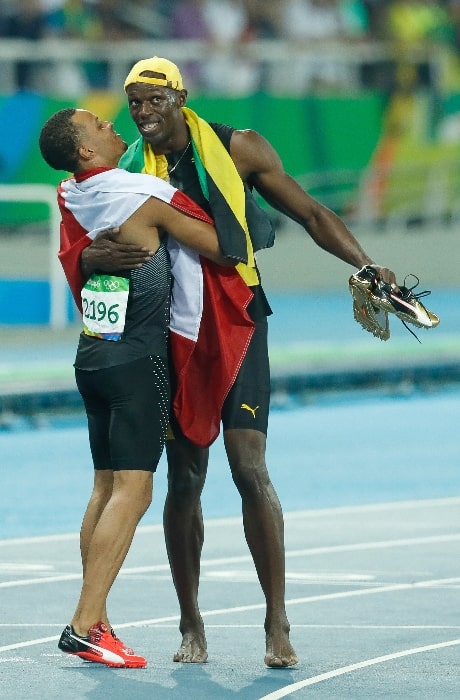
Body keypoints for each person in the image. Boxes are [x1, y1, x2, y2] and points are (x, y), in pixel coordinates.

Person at [61, 57, 399, 668]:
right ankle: (191, 622)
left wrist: (366, 265)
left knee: (249, 467)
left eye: (154, 100)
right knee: (186, 478)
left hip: (238, 319)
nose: (142, 113)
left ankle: (276, 619)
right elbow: (81, 244)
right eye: (133, 103)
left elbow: (312, 214)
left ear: (181, 97)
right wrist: (89, 262)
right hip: (170, 331)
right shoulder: (126, 168)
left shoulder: (237, 146)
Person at [38, 106, 244, 668]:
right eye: (98, 126)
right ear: (84, 150)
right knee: (135, 490)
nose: (112, 125)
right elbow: (226, 246)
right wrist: (224, 186)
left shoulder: (71, 196)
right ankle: (84, 623)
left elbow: (80, 251)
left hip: (94, 356)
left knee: (105, 487)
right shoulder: (145, 197)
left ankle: (96, 619)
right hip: (138, 360)